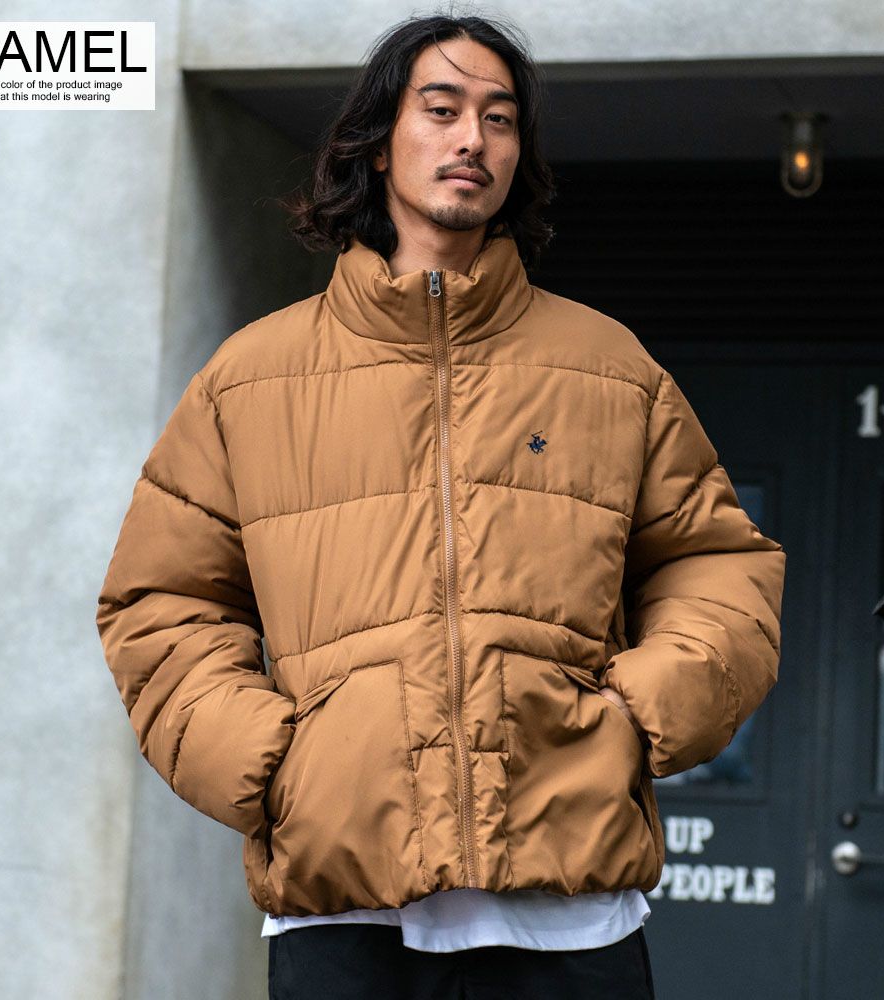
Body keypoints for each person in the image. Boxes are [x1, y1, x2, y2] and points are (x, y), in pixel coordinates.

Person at [96, 13, 786, 1000]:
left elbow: (715, 562)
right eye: (442, 109)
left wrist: (639, 713)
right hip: (343, 914)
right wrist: (272, 761)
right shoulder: (251, 379)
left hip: (571, 910)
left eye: (500, 118)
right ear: (380, 142)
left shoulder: (608, 367)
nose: (473, 139)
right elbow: (161, 603)